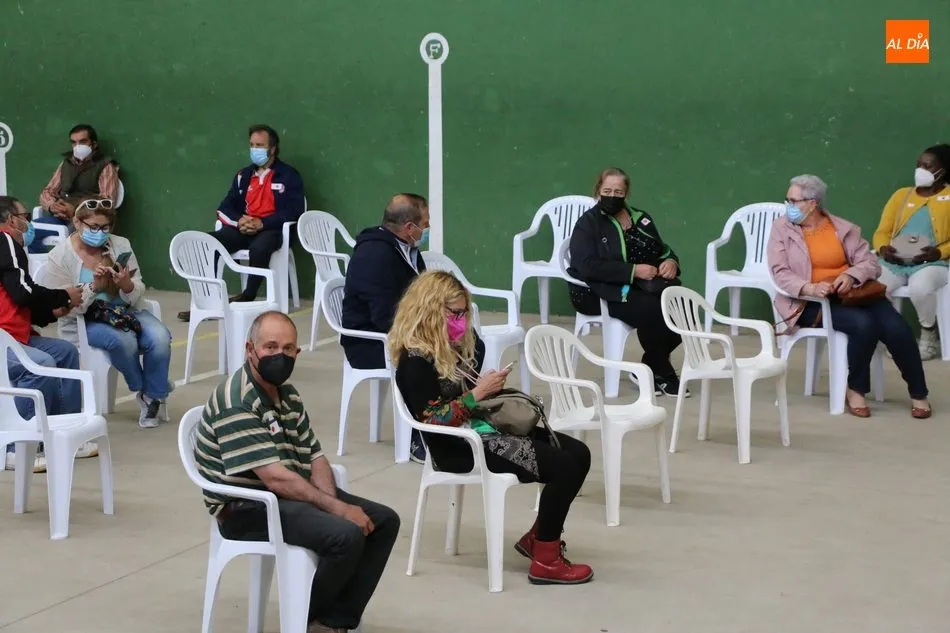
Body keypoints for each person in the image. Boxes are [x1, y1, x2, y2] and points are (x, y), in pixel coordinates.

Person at [195, 311, 399, 633]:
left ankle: (332, 621)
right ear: (250, 349)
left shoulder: (287, 394)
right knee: (344, 535)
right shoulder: (238, 400)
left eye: (288, 348)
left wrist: (332, 505)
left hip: (287, 493)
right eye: (271, 347)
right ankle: (303, 620)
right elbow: (274, 478)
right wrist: (337, 511)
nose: (280, 355)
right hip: (247, 506)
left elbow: (315, 458)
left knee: (384, 522)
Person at [392, 270, 593, 585]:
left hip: (481, 431)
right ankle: (546, 560)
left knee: (578, 453)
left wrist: (484, 385)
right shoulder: (414, 362)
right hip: (457, 447)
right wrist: (478, 393)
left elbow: (470, 384)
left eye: (464, 313)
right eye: (454, 314)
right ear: (429, 312)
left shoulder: (452, 349)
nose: (461, 322)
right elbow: (432, 422)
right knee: (564, 467)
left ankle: (539, 536)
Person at [768, 174, 930, 418]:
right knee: (863, 324)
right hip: (810, 302)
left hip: (854, 294)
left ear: (812, 203)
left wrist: (851, 276)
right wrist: (809, 288)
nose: (788, 205)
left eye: (793, 201)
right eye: (787, 200)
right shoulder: (781, 229)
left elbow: (870, 263)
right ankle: (856, 389)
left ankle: (919, 394)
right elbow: (779, 272)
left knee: (897, 328)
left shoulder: (842, 228)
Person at [342, 193, 485, 464]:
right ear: (410, 227)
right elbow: (385, 316)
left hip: (403, 331)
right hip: (371, 343)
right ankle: (422, 432)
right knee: (426, 357)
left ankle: (458, 414)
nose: (427, 228)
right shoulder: (374, 256)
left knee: (471, 342)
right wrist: (432, 336)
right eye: (425, 223)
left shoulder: (408, 250)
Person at [43, 196, 172, 429]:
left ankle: (152, 394)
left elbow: (138, 286)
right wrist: (94, 287)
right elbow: (62, 305)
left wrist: (126, 285)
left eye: (105, 227)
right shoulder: (60, 256)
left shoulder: (120, 244)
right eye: (94, 227)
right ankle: (149, 389)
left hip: (126, 310)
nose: (100, 233)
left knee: (160, 337)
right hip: (87, 318)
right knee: (123, 341)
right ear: (77, 222)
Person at [567, 167, 686, 397]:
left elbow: (661, 249)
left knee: (682, 306)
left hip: (638, 286)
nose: (612, 196)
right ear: (598, 191)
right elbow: (586, 266)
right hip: (597, 292)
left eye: (618, 192)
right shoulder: (588, 223)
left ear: (626, 194)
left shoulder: (641, 218)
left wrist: (670, 261)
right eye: (607, 191)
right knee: (654, 310)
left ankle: (650, 365)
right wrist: (633, 271)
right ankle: (663, 372)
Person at [176, 124, 305, 321]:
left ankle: (248, 295)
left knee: (261, 247)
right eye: (252, 145)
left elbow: (295, 211)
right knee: (207, 244)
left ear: (272, 149)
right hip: (243, 228)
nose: (254, 149)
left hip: (272, 230)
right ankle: (208, 303)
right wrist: (239, 221)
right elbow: (225, 207)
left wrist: (263, 223)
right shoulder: (243, 176)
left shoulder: (289, 175)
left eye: (260, 145)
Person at [0, 196, 91, 472]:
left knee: (65, 353)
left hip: (14, 335)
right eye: (24, 216)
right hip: (4, 339)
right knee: (40, 365)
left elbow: (15, 300)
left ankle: (65, 436)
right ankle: (17, 448)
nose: (28, 223)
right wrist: (64, 295)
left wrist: (51, 312)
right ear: (10, 220)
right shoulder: (5, 241)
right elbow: (23, 292)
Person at [873, 143, 950, 361]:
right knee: (874, 286)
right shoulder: (901, 195)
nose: (921, 170)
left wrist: (938, 253)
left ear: (942, 171)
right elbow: (882, 231)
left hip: (932, 263)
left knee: (920, 288)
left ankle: (928, 335)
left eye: (928, 166)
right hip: (895, 261)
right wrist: (884, 249)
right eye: (919, 164)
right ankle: (892, 336)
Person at [33, 124, 119, 254]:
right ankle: (42, 264)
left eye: (83, 141)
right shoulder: (66, 163)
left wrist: (76, 210)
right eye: (74, 142)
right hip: (60, 219)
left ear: (94, 144)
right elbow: (48, 191)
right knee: (30, 231)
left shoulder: (105, 166)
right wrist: (52, 206)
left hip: (89, 223)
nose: (78, 146)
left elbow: (106, 203)